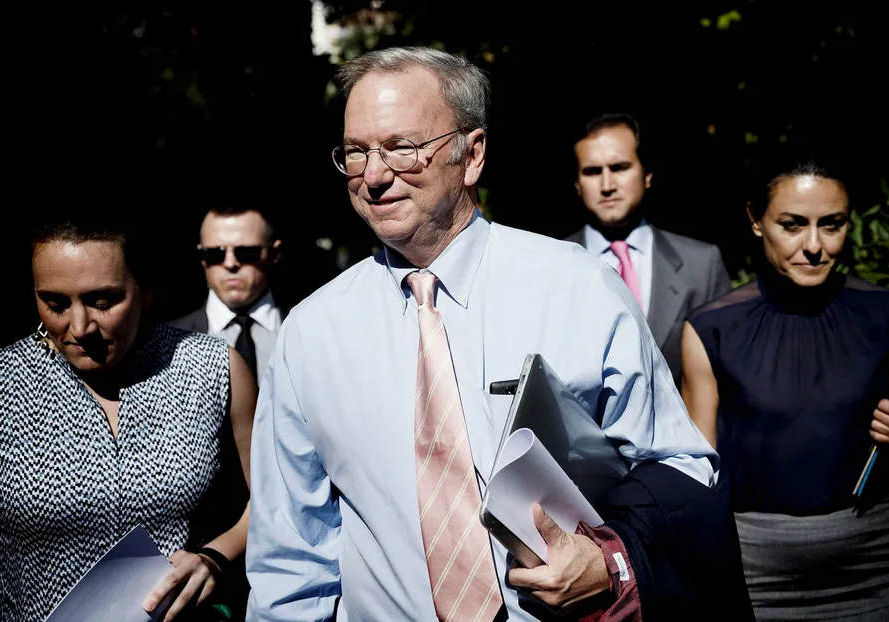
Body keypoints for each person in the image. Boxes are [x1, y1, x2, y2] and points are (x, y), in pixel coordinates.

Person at [245, 46, 717, 621]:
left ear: (472, 155)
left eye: (402, 148)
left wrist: (609, 562)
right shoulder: (310, 335)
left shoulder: (578, 288)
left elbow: (682, 469)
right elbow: (291, 559)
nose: (372, 175)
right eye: (355, 152)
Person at [681, 164, 889, 620]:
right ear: (756, 220)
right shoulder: (712, 328)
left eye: (831, 224)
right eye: (792, 225)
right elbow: (699, 469)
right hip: (755, 571)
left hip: (878, 562)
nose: (814, 246)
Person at [0, 208, 257, 622]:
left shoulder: (212, 368)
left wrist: (215, 557)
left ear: (146, 290)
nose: (80, 327)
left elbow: (275, 498)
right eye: (55, 303)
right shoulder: (0, 382)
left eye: (102, 301)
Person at [565, 114, 731, 383]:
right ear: (577, 184)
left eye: (619, 167)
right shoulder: (550, 264)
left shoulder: (701, 265)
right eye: (593, 171)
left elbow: (727, 372)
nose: (607, 185)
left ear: (647, 175)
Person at [171, 204, 284, 384]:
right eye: (214, 253)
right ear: (202, 257)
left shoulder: (306, 329)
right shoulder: (168, 341)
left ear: (274, 254)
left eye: (246, 252)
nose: (230, 263)